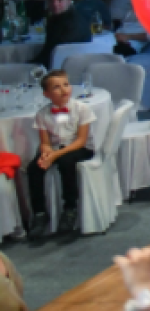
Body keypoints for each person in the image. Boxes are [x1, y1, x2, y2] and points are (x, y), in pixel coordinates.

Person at [29, 71, 92, 235]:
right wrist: (46, 154)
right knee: (33, 168)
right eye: (56, 87)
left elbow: (81, 141)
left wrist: (55, 155)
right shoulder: (42, 114)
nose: (64, 89)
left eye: (66, 84)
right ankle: (39, 213)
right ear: (46, 94)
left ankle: (70, 208)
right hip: (56, 148)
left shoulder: (81, 109)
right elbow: (45, 142)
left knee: (66, 162)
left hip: (79, 148)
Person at [31, 0, 91, 69]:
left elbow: (52, 54)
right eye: (51, 1)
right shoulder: (58, 19)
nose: (55, 4)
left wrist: (28, 65)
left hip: (62, 69)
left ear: (69, 1)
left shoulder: (72, 23)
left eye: (60, 0)